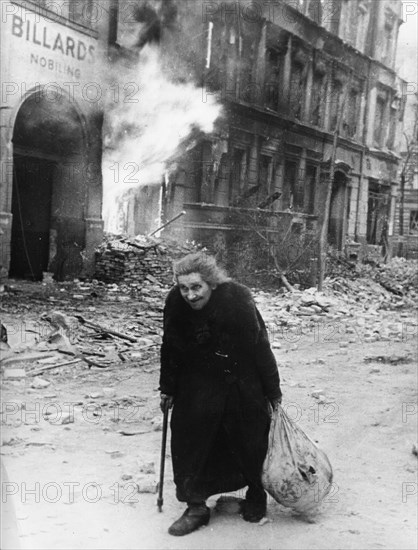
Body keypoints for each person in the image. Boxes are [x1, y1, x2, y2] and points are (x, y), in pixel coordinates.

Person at [159, 252, 282, 536]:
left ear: (212, 283)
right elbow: (171, 348)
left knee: (249, 438)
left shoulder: (237, 298)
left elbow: (260, 345)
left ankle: (255, 495)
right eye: (184, 288)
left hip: (240, 378)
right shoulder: (175, 303)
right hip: (197, 381)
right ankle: (196, 505)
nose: (190, 295)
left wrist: (272, 390)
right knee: (189, 437)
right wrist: (167, 388)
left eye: (196, 287)